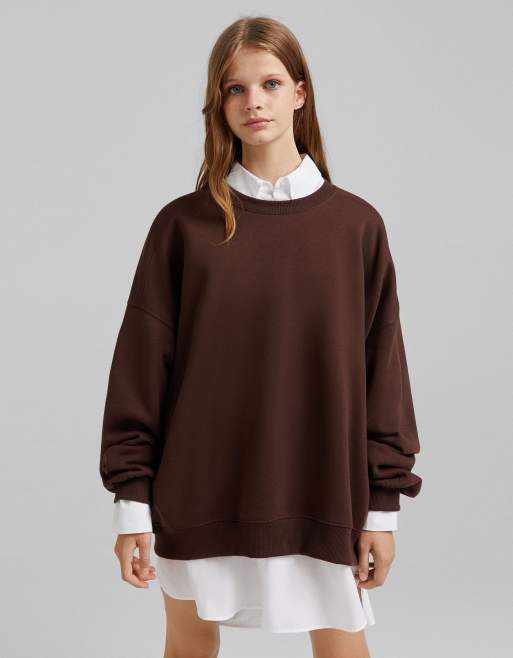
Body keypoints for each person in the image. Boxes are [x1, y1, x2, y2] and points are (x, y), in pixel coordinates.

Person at [99, 15, 422, 658]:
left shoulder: (355, 228)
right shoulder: (184, 227)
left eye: (270, 83)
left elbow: (382, 375)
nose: (254, 102)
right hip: (198, 494)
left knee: (342, 644)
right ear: (218, 104)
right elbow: (141, 372)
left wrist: (382, 509)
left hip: (321, 493)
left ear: (300, 92)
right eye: (235, 89)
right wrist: (131, 504)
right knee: (188, 645)